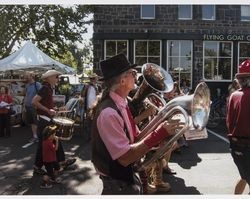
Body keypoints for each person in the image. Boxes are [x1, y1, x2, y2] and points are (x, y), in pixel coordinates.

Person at [91, 53, 184, 195]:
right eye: (132, 73)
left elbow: (136, 138)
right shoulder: (109, 113)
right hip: (118, 184)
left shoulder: (122, 103)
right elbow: (125, 158)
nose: (136, 75)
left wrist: (160, 122)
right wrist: (160, 132)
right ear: (122, 80)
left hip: (125, 178)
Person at [32, 70, 76, 175]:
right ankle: (37, 166)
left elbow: (45, 104)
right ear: (50, 77)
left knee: (55, 140)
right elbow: (34, 101)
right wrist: (48, 110)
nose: (58, 78)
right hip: (44, 121)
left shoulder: (49, 89)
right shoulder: (45, 88)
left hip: (47, 119)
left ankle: (61, 161)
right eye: (56, 77)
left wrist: (56, 109)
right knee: (44, 144)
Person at [227, 59, 250, 195]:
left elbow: (229, 122)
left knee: (244, 177)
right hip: (247, 146)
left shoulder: (233, 96)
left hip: (236, 146)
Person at [23, 71, 42, 143]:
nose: (26, 77)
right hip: (28, 106)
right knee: (32, 122)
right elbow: (26, 96)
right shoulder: (27, 85)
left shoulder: (37, 84)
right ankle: (35, 136)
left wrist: (38, 105)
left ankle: (38, 136)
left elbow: (42, 95)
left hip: (35, 107)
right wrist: (24, 105)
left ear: (31, 76)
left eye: (27, 75)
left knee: (36, 122)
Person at [84, 73, 100, 141]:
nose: (97, 79)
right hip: (89, 106)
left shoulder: (96, 86)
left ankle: (92, 136)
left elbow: (97, 96)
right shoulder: (87, 86)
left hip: (94, 106)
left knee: (94, 122)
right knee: (89, 122)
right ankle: (89, 137)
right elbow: (84, 95)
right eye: (96, 78)